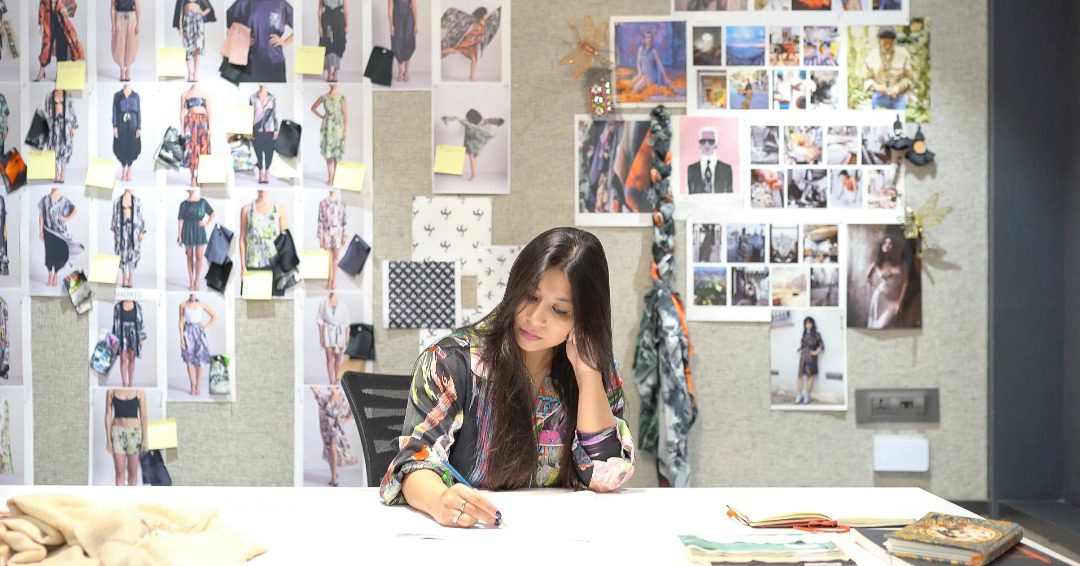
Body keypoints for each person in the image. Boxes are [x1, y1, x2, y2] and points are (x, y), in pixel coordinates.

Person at [379, 227, 635, 526]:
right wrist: (439, 500)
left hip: (561, 533)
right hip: (473, 533)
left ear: (585, 317)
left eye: (559, 310)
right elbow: (414, 463)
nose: (534, 318)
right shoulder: (450, 362)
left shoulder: (594, 369)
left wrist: (588, 374)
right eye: (529, 295)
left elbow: (605, 476)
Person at [226, 0, 293, 83]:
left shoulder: (281, 4)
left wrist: (285, 42)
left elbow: (299, 25)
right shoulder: (243, 3)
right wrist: (241, 38)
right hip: (248, 61)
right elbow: (226, 23)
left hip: (274, 61)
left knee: (274, 86)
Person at [441, 110, 504, 182]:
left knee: (472, 158)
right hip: (471, 142)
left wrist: (498, 121)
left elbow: (490, 120)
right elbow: (458, 119)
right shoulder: (470, 123)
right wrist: (447, 119)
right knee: (472, 158)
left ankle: (473, 175)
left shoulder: (479, 122)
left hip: (474, 143)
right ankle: (472, 175)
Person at [441, 6, 501, 82]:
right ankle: (441, 51)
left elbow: (491, 15)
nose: (487, 15)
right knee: (455, 51)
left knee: (474, 60)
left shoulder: (485, 22)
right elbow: (466, 25)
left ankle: (472, 78)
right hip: (468, 41)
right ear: (482, 15)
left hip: (473, 44)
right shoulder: (475, 21)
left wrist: (499, 9)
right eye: (485, 14)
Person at [311, 386, 356, 487]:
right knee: (331, 452)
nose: (328, 387)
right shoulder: (326, 398)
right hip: (327, 428)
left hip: (337, 428)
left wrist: (345, 420)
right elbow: (316, 393)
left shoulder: (344, 399)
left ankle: (334, 478)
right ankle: (334, 475)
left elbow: (353, 412)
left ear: (336, 387)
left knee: (332, 449)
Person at [861, 27, 913, 110]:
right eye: (884, 44)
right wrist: (877, 87)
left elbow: (908, 78)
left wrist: (898, 88)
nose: (887, 46)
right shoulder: (871, 56)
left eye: (890, 43)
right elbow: (867, 79)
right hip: (879, 96)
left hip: (898, 97)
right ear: (879, 42)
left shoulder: (903, 54)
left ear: (894, 42)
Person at [38, 188, 79, 288]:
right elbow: (41, 216)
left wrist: (66, 218)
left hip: (60, 233)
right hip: (48, 231)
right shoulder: (44, 200)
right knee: (49, 253)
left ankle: (55, 274)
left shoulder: (64, 200)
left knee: (60, 254)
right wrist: (41, 231)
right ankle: (49, 275)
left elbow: (75, 210)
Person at [104, 388, 147, 486]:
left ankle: (131, 495)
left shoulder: (140, 392)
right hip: (117, 434)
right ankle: (120, 496)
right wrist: (108, 440)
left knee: (133, 471)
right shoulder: (111, 391)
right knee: (119, 471)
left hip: (134, 434)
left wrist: (145, 439)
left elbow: (144, 416)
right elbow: (108, 415)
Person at [866, 235, 910, 328]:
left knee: (887, 325)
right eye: (885, 243)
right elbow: (867, 278)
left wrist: (899, 302)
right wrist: (877, 287)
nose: (887, 245)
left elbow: (905, 283)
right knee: (878, 327)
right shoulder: (877, 263)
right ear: (881, 246)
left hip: (894, 300)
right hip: (880, 298)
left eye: (890, 243)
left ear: (893, 246)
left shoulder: (901, 263)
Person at [239, 190, 287, 274]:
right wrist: (243, 266)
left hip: (275, 264)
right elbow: (242, 239)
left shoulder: (279, 209)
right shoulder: (247, 209)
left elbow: (285, 240)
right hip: (253, 263)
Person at [36, 0, 84, 82]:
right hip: (49, 24)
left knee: (61, 49)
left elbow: (73, 5)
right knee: (46, 48)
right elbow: (42, 7)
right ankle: (42, 71)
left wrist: (66, 10)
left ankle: (60, 74)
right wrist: (41, 24)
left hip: (62, 25)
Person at [177, 189, 215, 290]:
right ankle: (191, 280)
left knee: (199, 256)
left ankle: (197, 280)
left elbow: (212, 214)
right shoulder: (184, 204)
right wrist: (179, 236)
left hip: (199, 230)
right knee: (189, 255)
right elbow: (180, 221)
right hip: (187, 230)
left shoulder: (203, 202)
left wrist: (205, 224)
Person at [171, 0, 216, 82]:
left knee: (198, 47)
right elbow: (180, 12)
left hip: (198, 21)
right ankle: (190, 73)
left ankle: (196, 73)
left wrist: (202, 13)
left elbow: (209, 8)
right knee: (188, 49)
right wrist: (180, 28)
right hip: (187, 21)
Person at [179, 294, 215, 396]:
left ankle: (198, 384)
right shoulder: (183, 305)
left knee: (200, 360)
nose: (193, 294)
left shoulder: (202, 304)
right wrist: (181, 338)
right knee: (189, 360)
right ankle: (192, 385)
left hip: (199, 334)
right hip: (188, 333)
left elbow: (214, 316)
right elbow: (181, 322)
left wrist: (205, 325)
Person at [312, 85, 347, 185]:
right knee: (329, 153)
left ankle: (336, 177)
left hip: (338, 128)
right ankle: (330, 177)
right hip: (327, 128)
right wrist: (322, 116)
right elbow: (313, 108)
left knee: (337, 153)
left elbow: (345, 115)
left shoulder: (341, 97)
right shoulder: (324, 97)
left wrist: (345, 131)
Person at [111, 189, 146, 288]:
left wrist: (142, 232)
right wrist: (114, 232)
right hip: (121, 231)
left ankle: (131, 277)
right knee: (121, 254)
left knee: (133, 253)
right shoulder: (117, 201)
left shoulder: (137, 201)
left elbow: (141, 217)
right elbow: (114, 217)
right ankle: (124, 277)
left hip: (134, 231)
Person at [44, 89, 78, 184]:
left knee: (65, 149)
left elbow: (72, 112)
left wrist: (74, 127)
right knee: (52, 148)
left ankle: (63, 172)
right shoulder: (49, 96)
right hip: (53, 126)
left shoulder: (68, 95)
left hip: (66, 126)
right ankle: (56, 172)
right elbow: (46, 113)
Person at [180, 85, 211, 187]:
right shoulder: (185, 94)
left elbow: (209, 112)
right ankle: (193, 177)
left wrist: (210, 128)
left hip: (203, 122)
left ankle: (201, 176)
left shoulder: (205, 94)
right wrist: (182, 128)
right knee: (191, 149)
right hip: (190, 121)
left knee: (203, 149)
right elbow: (182, 112)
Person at [687, 127, 733, 194]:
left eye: (711, 141)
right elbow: (690, 195)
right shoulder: (691, 169)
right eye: (703, 141)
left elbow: (730, 195)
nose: (707, 145)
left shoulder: (726, 169)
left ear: (716, 144)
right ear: (699, 144)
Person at [111, 300, 146, 388]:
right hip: (121, 334)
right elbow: (115, 324)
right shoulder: (117, 307)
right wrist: (114, 341)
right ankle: (124, 383)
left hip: (133, 335)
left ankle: (130, 384)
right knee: (123, 358)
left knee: (132, 358)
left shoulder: (137, 306)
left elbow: (141, 322)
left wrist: (142, 337)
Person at [317, 292, 348, 385]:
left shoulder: (342, 304)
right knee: (330, 358)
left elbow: (346, 322)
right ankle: (332, 382)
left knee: (339, 358)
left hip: (340, 333)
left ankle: (338, 381)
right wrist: (321, 336)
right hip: (327, 332)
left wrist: (347, 336)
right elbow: (320, 320)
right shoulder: (323, 303)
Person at [317, 190, 347, 290]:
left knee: (336, 258)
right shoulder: (323, 203)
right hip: (327, 233)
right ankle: (329, 280)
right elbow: (320, 220)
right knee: (329, 258)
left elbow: (344, 221)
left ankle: (334, 280)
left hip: (338, 234)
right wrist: (320, 236)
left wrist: (344, 236)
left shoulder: (342, 203)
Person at [250, 85, 279, 184]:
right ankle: (260, 172)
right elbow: (250, 114)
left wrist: (276, 130)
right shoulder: (253, 97)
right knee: (258, 152)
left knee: (269, 152)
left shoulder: (272, 97)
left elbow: (275, 114)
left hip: (269, 129)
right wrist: (249, 130)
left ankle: (267, 172)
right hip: (256, 129)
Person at [112, 85, 141, 181]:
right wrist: (115, 127)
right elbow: (114, 112)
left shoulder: (136, 96)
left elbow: (139, 112)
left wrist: (139, 127)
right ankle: (123, 169)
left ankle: (129, 169)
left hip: (133, 125)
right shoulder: (117, 95)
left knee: (132, 147)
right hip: (121, 125)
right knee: (122, 147)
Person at [794, 317, 823, 405]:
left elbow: (821, 346)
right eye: (806, 323)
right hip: (803, 357)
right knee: (800, 376)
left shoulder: (816, 334)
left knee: (810, 376)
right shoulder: (804, 334)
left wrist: (815, 352)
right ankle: (799, 395)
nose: (808, 325)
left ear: (812, 324)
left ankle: (807, 395)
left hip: (811, 358)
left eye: (809, 323)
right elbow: (803, 345)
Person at [318, 0, 348, 82]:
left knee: (338, 45)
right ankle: (329, 73)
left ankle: (335, 72)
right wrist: (319, 26)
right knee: (327, 45)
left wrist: (347, 25)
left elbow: (346, 10)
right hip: (327, 18)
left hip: (339, 20)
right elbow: (320, 9)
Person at [111, 0, 140, 81]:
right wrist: (113, 25)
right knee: (119, 44)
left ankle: (128, 68)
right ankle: (121, 69)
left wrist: (138, 23)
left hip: (131, 16)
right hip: (119, 16)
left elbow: (137, 6)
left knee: (131, 44)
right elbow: (112, 7)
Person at [389, 0, 417, 82]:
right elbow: (390, 8)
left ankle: (406, 72)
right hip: (397, 18)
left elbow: (414, 7)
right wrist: (391, 25)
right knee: (397, 43)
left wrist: (416, 24)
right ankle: (400, 71)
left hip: (408, 19)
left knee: (409, 43)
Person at [0, 195, 8, 277]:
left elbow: (4, 217)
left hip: (1, 229)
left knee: (2, 249)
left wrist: (5, 231)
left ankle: (2, 269)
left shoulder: (1, 199)